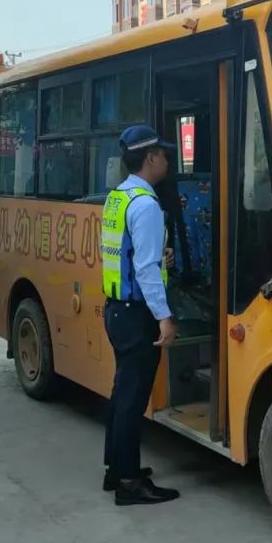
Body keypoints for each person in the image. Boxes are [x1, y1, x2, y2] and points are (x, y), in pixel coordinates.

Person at [100, 125, 180, 506]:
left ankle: (116, 467)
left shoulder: (119, 197)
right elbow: (146, 269)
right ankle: (129, 484)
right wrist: (164, 317)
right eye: (163, 154)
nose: (167, 159)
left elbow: (128, 256)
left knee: (122, 393)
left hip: (117, 309)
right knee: (133, 399)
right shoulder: (146, 205)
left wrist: (155, 261)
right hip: (137, 314)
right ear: (150, 159)